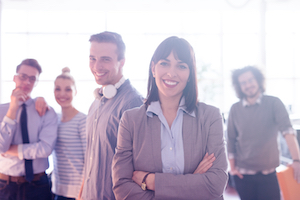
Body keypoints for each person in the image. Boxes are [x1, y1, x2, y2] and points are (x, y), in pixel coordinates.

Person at [112, 36, 228, 200]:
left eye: (181, 66)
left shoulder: (210, 117)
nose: (171, 73)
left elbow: (215, 184)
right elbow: (122, 188)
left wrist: (151, 181)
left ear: (189, 74)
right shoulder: (130, 120)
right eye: (164, 64)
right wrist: (193, 180)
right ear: (153, 68)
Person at [78, 31, 143, 200]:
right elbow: (90, 160)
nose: (96, 66)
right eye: (92, 58)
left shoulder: (133, 103)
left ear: (122, 62)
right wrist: (81, 194)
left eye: (105, 59)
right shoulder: (96, 103)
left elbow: (140, 168)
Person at [227, 66, 300, 200]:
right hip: (243, 175)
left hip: (269, 174)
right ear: (239, 86)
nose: (248, 85)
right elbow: (230, 139)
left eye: (250, 80)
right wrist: (232, 168)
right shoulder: (235, 109)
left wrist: (297, 160)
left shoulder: (274, 103)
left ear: (258, 80)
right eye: (243, 83)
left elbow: (288, 131)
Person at [0, 58, 58, 200]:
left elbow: (45, 149)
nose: (27, 82)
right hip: (5, 185)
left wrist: (12, 150)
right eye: (23, 77)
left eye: (32, 79)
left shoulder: (46, 111)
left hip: (38, 185)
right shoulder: (1, 111)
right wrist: (13, 109)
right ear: (15, 78)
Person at [51, 67, 86, 200]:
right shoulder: (54, 119)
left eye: (68, 89)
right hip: (57, 189)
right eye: (58, 89)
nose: (62, 94)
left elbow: (90, 161)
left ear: (75, 92)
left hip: (76, 192)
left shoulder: (82, 120)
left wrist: (82, 193)